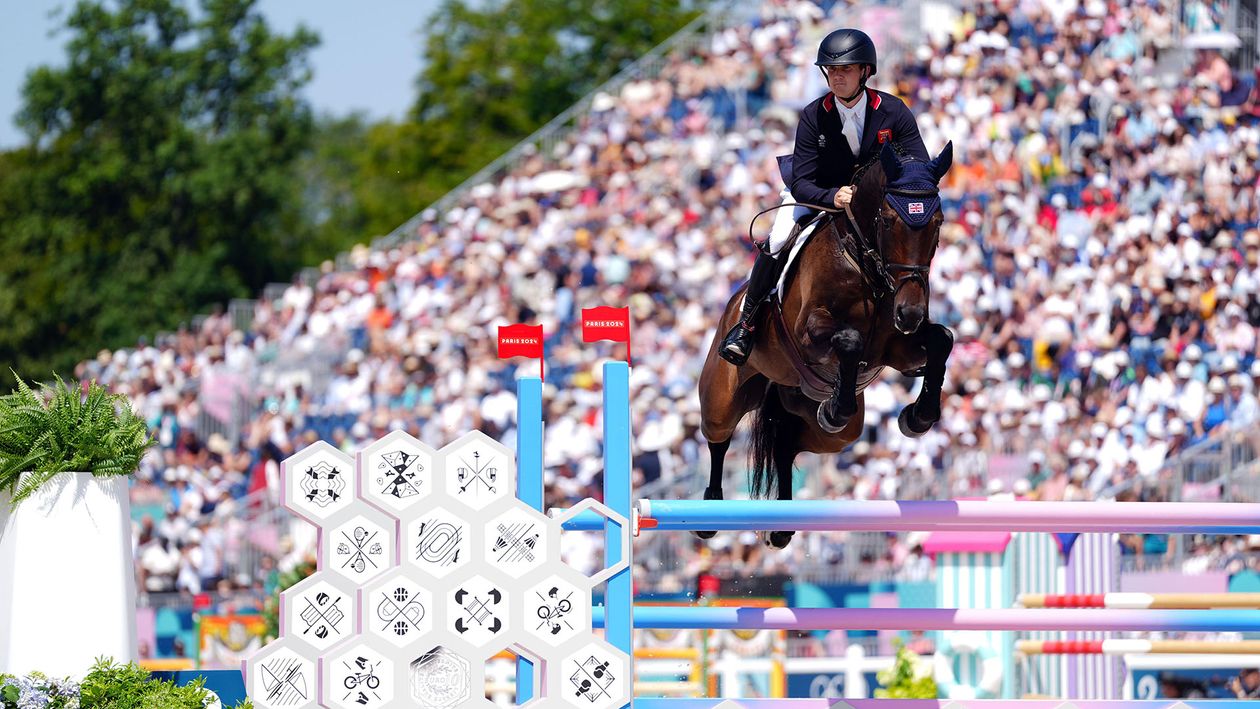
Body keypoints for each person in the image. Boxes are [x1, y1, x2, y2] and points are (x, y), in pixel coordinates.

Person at [720, 28, 930, 365]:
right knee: (776, 239)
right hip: (817, 195)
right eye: (831, 70)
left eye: (845, 69)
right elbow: (801, 181)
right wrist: (832, 197)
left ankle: (910, 319)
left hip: (874, 205)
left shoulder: (894, 111)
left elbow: (918, 165)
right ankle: (746, 323)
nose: (837, 76)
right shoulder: (813, 114)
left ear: (865, 71)